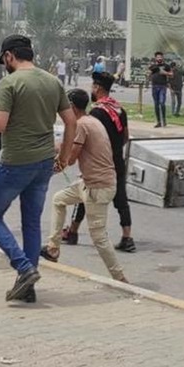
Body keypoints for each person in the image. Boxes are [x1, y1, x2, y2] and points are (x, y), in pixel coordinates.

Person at [0, 34, 75, 303]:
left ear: (9, 56)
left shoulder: (9, 83)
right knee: (31, 223)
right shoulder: (52, 81)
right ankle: (27, 287)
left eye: (4, 60)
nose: (4, 65)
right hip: (44, 163)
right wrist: (65, 156)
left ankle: (24, 268)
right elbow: (71, 122)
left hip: (15, 162)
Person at [40, 89, 129, 283]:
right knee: (59, 199)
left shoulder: (81, 125)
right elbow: (67, 146)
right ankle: (53, 248)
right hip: (90, 182)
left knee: (99, 237)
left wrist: (53, 166)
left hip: (98, 186)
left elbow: (70, 158)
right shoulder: (92, 121)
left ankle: (120, 278)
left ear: (71, 107)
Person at [60, 72, 136, 252]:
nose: (91, 90)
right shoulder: (119, 109)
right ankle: (127, 237)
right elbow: (125, 136)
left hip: (99, 162)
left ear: (97, 88)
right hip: (117, 159)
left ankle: (73, 232)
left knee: (85, 193)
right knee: (121, 198)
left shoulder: (96, 112)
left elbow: (89, 138)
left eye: (92, 86)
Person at [147, 51, 172, 128]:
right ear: (155, 58)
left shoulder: (166, 66)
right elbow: (148, 74)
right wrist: (149, 73)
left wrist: (165, 73)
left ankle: (164, 120)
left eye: (160, 57)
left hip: (162, 86)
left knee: (162, 103)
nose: (159, 58)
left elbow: (171, 74)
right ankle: (159, 121)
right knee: (156, 104)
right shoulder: (153, 66)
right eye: (158, 57)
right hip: (154, 86)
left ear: (162, 57)